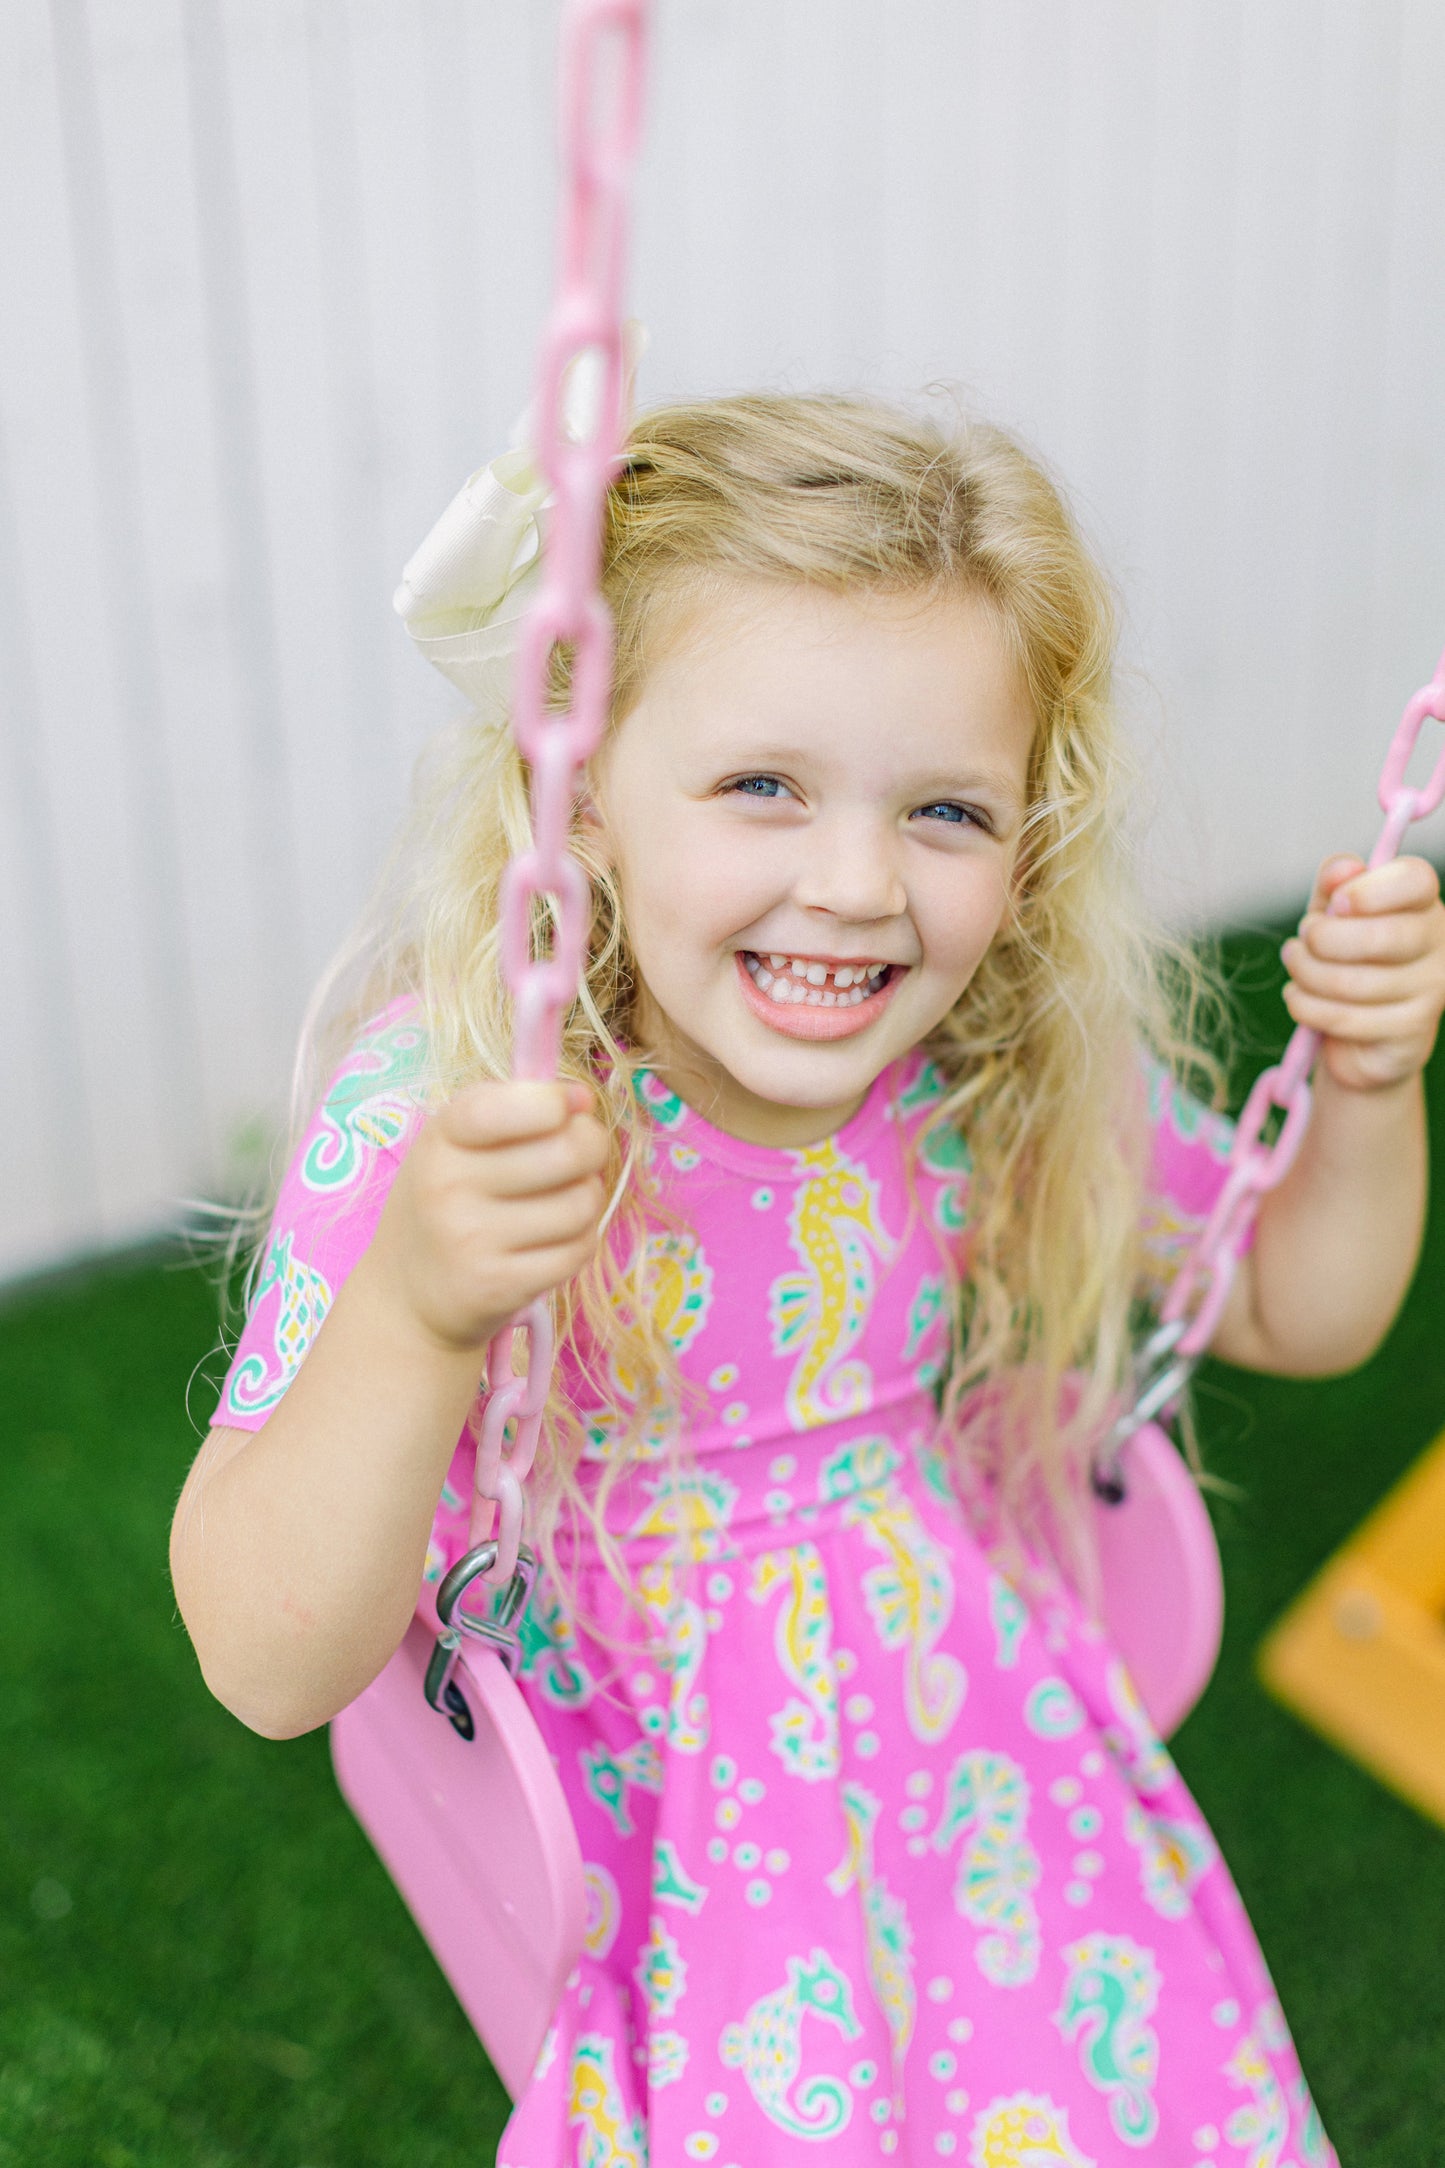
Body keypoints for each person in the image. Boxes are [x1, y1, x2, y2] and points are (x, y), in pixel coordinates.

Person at [171, 394, 1444, 2165]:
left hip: (979, 1756)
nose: (852, 886)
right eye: (759, 785)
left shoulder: (987, 1072)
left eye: (943, 809)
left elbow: (1300, 1312)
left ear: (1027, 833)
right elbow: (263, 1656)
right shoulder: (443, 1109)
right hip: (671, 1825)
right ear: (582, 797)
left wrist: (1363, 1090)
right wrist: (414, 1312)